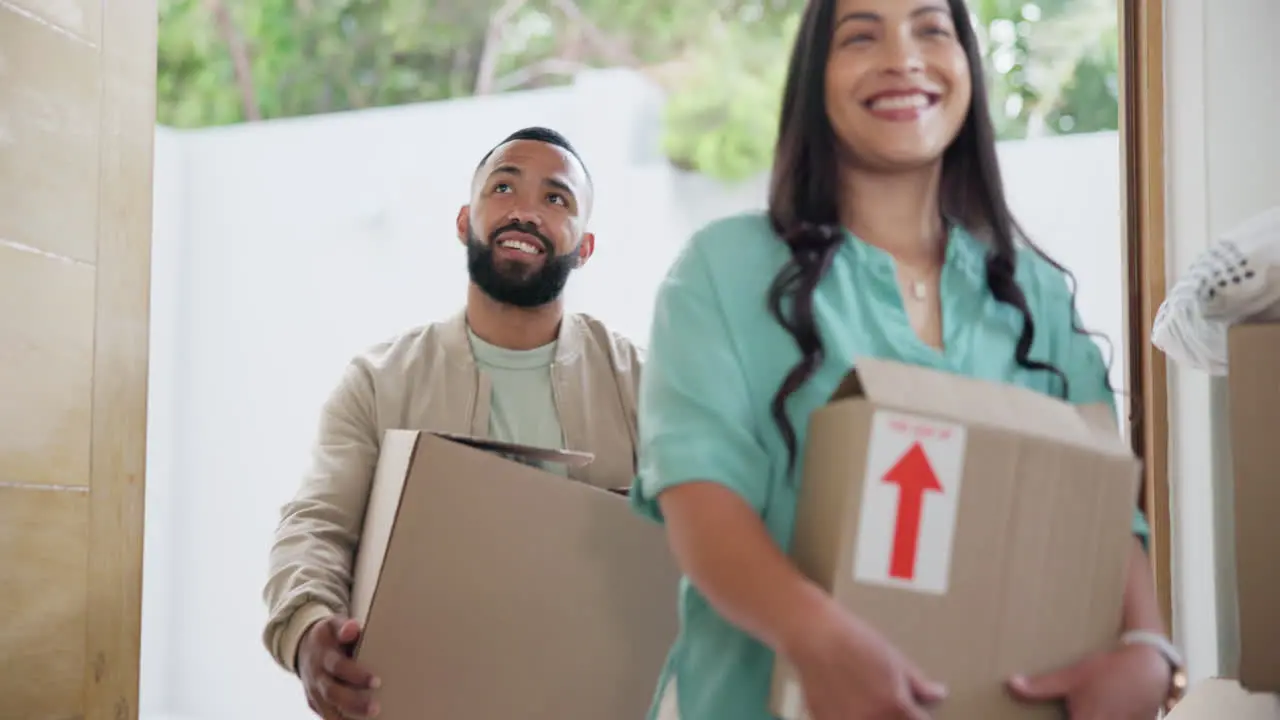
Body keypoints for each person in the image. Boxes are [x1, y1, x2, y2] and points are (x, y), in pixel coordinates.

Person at [630, 1, 1181, 719]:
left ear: (967, 70)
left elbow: (1103, 506)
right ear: (813, 80)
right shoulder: (721, 270)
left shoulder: (1032, 293)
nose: (903, 57)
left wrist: (1148, 648)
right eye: (861, 36)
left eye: (931, 30)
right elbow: (701, 504)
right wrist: (814, 636)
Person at [262, 126, 643, 720]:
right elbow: (316, 526)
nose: (524, 211)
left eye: (556, 199)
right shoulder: (379, 381)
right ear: (465, 221)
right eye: (504, 187)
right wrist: (307, 627)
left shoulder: (643, 386)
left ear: (585, 246)